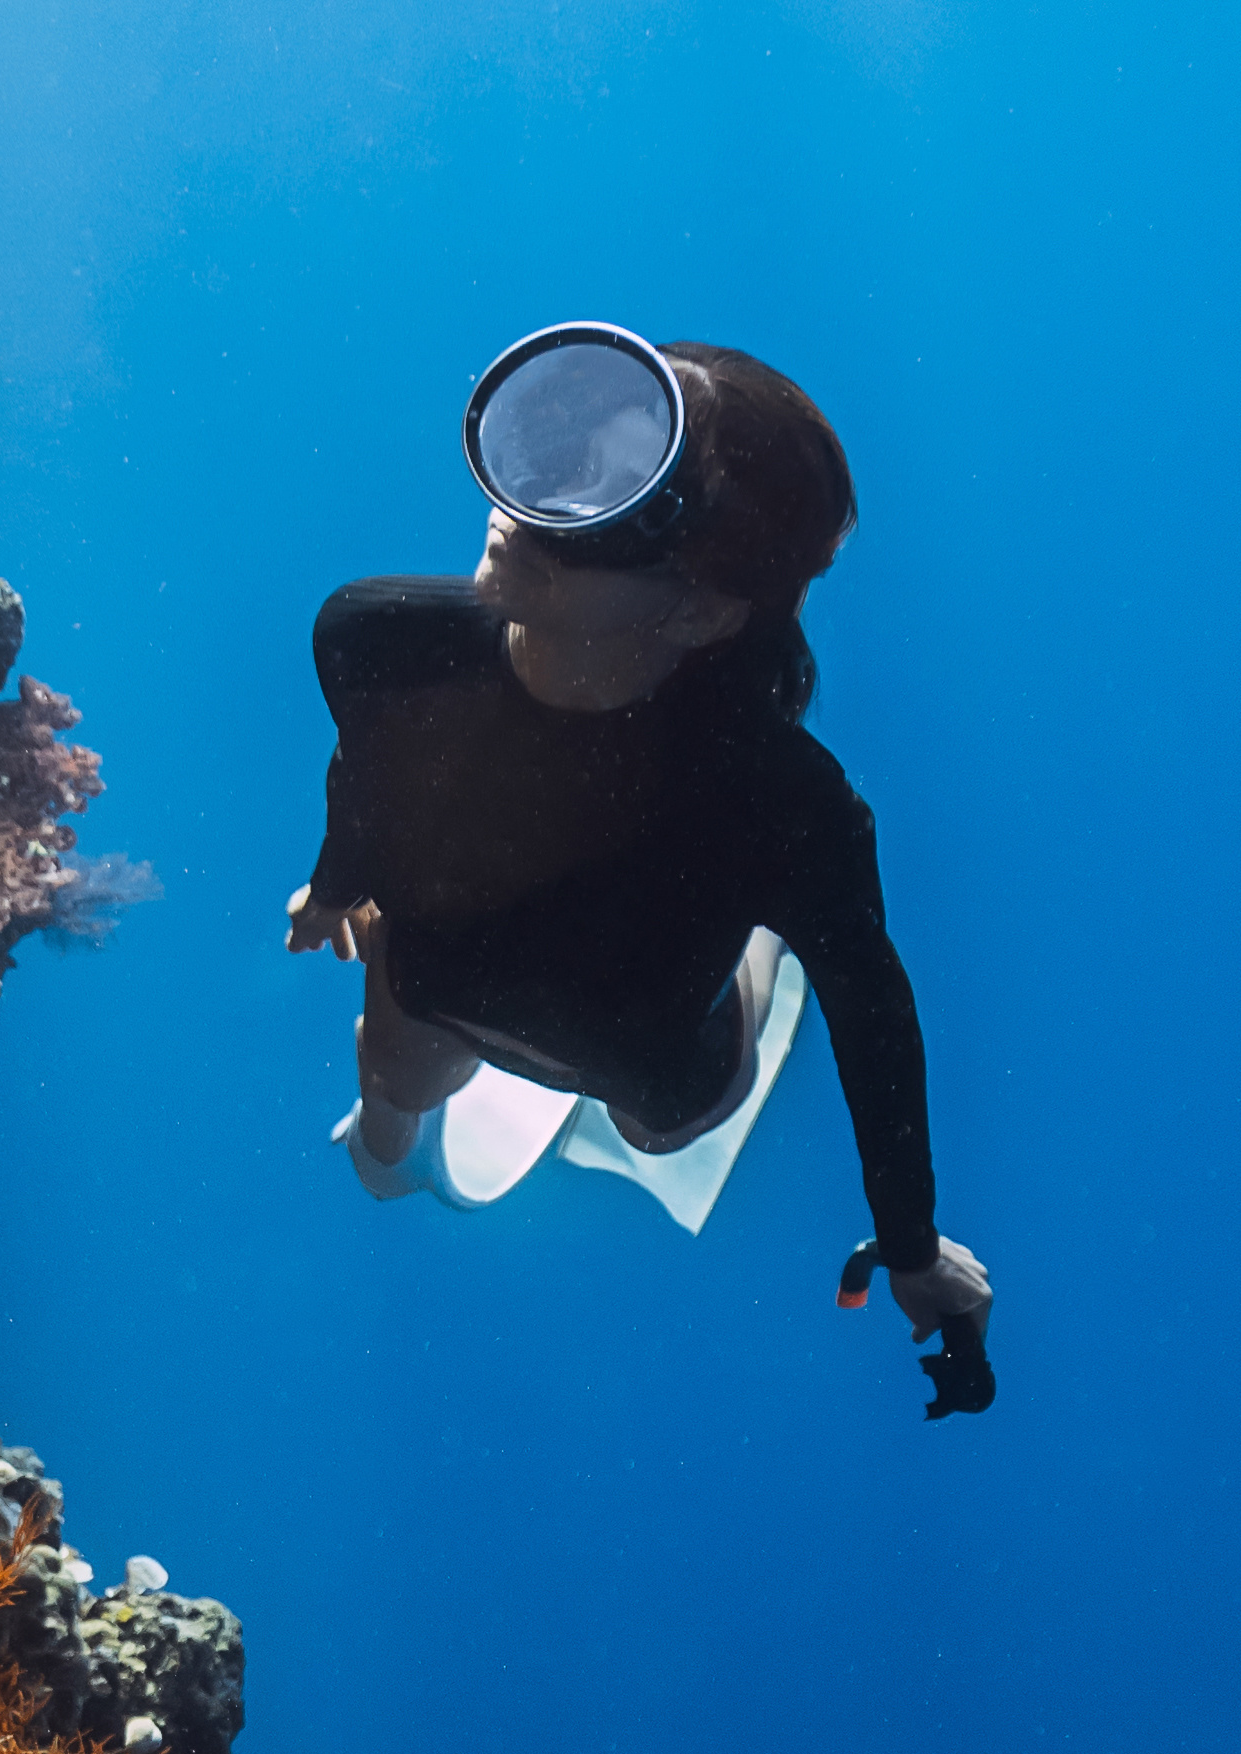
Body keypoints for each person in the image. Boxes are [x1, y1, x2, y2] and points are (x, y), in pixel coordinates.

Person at [290, 320, 998, 1415]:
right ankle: (390, 1139)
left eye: (614, 492)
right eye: (568, 448)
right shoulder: (373, 635)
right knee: (386, 1121)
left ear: (705, 607)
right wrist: (335, 884)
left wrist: (912, 1245)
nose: (539, 503)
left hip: (650, 1050)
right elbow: (365, 761)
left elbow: (872, 1008)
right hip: (439, 964)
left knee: (664, 1124)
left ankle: (764, 962)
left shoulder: (782, 806)